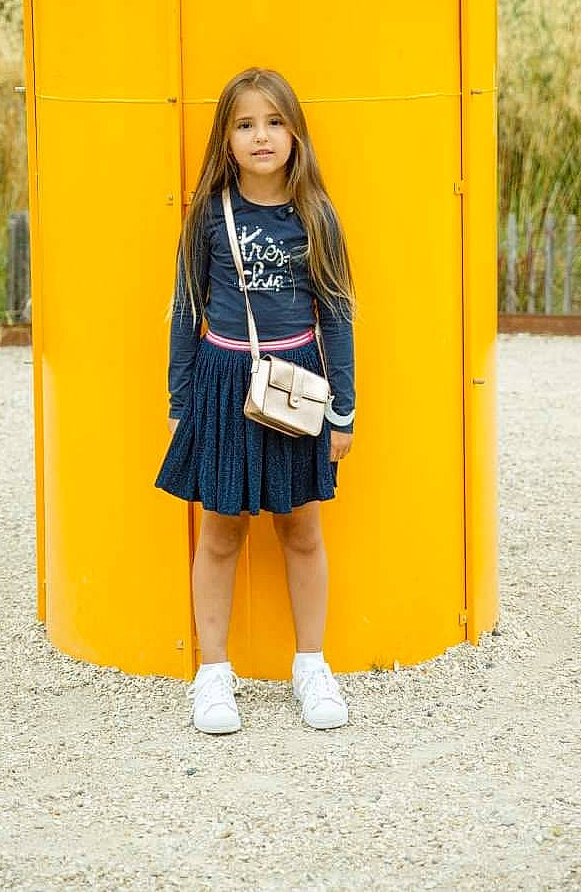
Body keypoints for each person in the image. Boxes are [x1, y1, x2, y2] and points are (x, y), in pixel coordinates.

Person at [154, 67, 357, 735]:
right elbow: (186, 307)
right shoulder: (210, 214)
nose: (261, 136)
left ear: (295, 133)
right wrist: (180, 400)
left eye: (273, 122)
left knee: (300, 527)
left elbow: (336, 315)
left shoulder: (315, 213)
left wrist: (343, 411)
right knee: (220, 530)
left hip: (295, 383)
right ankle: (212, 674)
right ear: (227, 138)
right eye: (245, 124)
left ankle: (310, 664)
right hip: (223, 381)